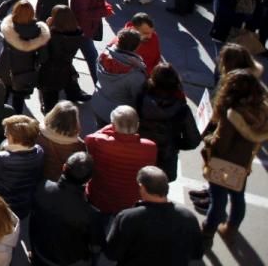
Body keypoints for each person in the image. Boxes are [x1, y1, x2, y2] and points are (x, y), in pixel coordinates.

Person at [200, 68, 268, 239]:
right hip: (243, 163)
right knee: (238, 197)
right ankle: (231, 228)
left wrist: (207, 137)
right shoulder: (260, 111)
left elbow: (221, 145)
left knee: (218, 200)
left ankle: (208, 231)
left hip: (223, 162)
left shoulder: (233, 115)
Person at [104, 166, 204, 266]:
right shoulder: (188, 217)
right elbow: (197, 253)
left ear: (142, 187)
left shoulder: (127, 218)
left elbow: (111, 253)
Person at [30, 152, 101, 266]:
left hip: (40, 252)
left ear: (64, 167)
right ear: (89, 180)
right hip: (68, 261)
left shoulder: (42, 187)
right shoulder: (91, 214)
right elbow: (95, 247)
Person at [84, 105, 157, 216]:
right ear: (137, 125)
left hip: (101, 198)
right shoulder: (150, 147)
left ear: (113, 126)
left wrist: (110, 128)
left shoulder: (99, 142)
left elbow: (89, 138)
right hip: (131, 201)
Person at [136, 62, 201, 182]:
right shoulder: (182, 109)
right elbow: (193, 140)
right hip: (165, 160)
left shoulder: (141, 98)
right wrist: (176, 143)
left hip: (140, 154)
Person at [0, 115, 45, 219]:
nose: (5, 134)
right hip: (24, 204)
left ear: (15, 137)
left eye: (7, 133)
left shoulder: (2, 158)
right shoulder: (39, 151)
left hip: (1, 206)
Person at [0, 0, 50, 110]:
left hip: (4, 69)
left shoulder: (8, 28)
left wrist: (8, 2)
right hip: (24, 73)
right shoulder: (38, 32)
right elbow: (44, 57)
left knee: (0, 101)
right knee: (18, 102)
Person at [92, 28, 147, 126]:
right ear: (136, 47)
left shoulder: (103, 56)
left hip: (98, 103)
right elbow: (139, 99)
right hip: (118, 116)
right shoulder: (136, 74)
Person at [37, 6, 88, 112]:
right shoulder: (78, 33)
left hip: (49, 73)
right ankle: (74, 95)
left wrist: (46, 27)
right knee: (69, 80)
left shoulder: (51, 35)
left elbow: (43, 57)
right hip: (66, 67)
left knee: (50, 102)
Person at [69, 0, 110, 83]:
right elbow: (82, 14)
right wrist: (103, 11)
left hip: (86, 29)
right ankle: (98, 84)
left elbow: (96, 2)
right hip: (82, 31)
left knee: (68, 56)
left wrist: (104, 6)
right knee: (93, 58)